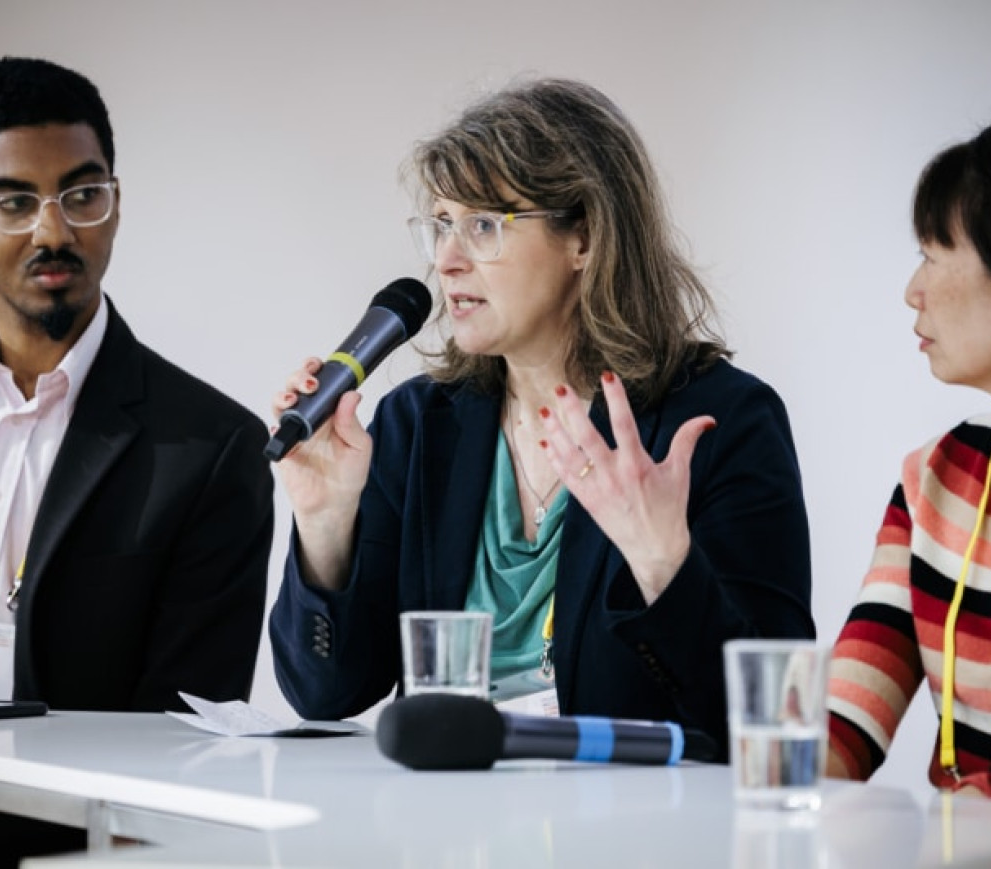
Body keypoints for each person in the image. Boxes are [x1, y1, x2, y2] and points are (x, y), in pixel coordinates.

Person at [269, 77, 813, 753]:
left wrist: (660, 559)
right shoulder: (416, 427)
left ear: (582, 237)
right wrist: (323, 523)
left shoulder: (718, 422)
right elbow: (326, 693)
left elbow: (773, 717)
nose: (446, 259)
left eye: (482, 225)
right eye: (440, 224)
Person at [0, 57, 274, 865]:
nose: (53, 231)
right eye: (12, 200)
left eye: (82, 194)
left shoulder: (212, 449)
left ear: (115, 203)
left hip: (61, 846)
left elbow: (180, 744)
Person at [826, 118, 991, 809]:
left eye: (933, 255)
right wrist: (771, 793)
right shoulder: (936, 475)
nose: (913, 288)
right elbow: (847, 716)